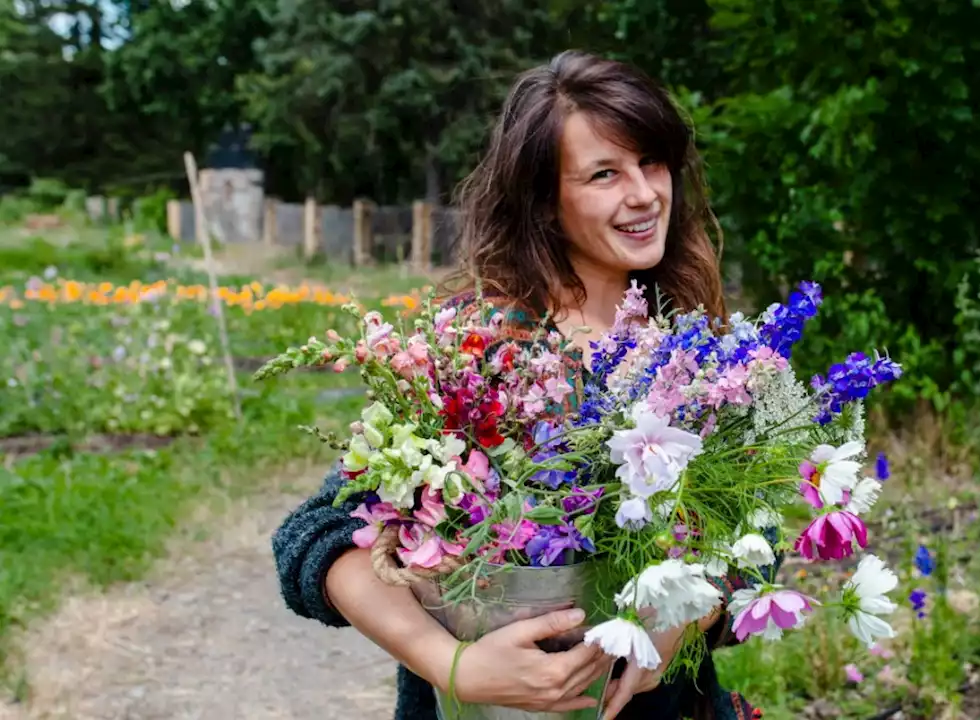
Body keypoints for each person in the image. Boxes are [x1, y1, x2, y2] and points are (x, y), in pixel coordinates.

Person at [271, 50, 771, 720]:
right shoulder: (483, 347)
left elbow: (752, 540)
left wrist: (686, 619)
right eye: (604, 174)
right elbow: (318, 536)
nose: (646, 193)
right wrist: (454, 665)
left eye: (651, 162)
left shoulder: (693, 345)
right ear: (543, 199)